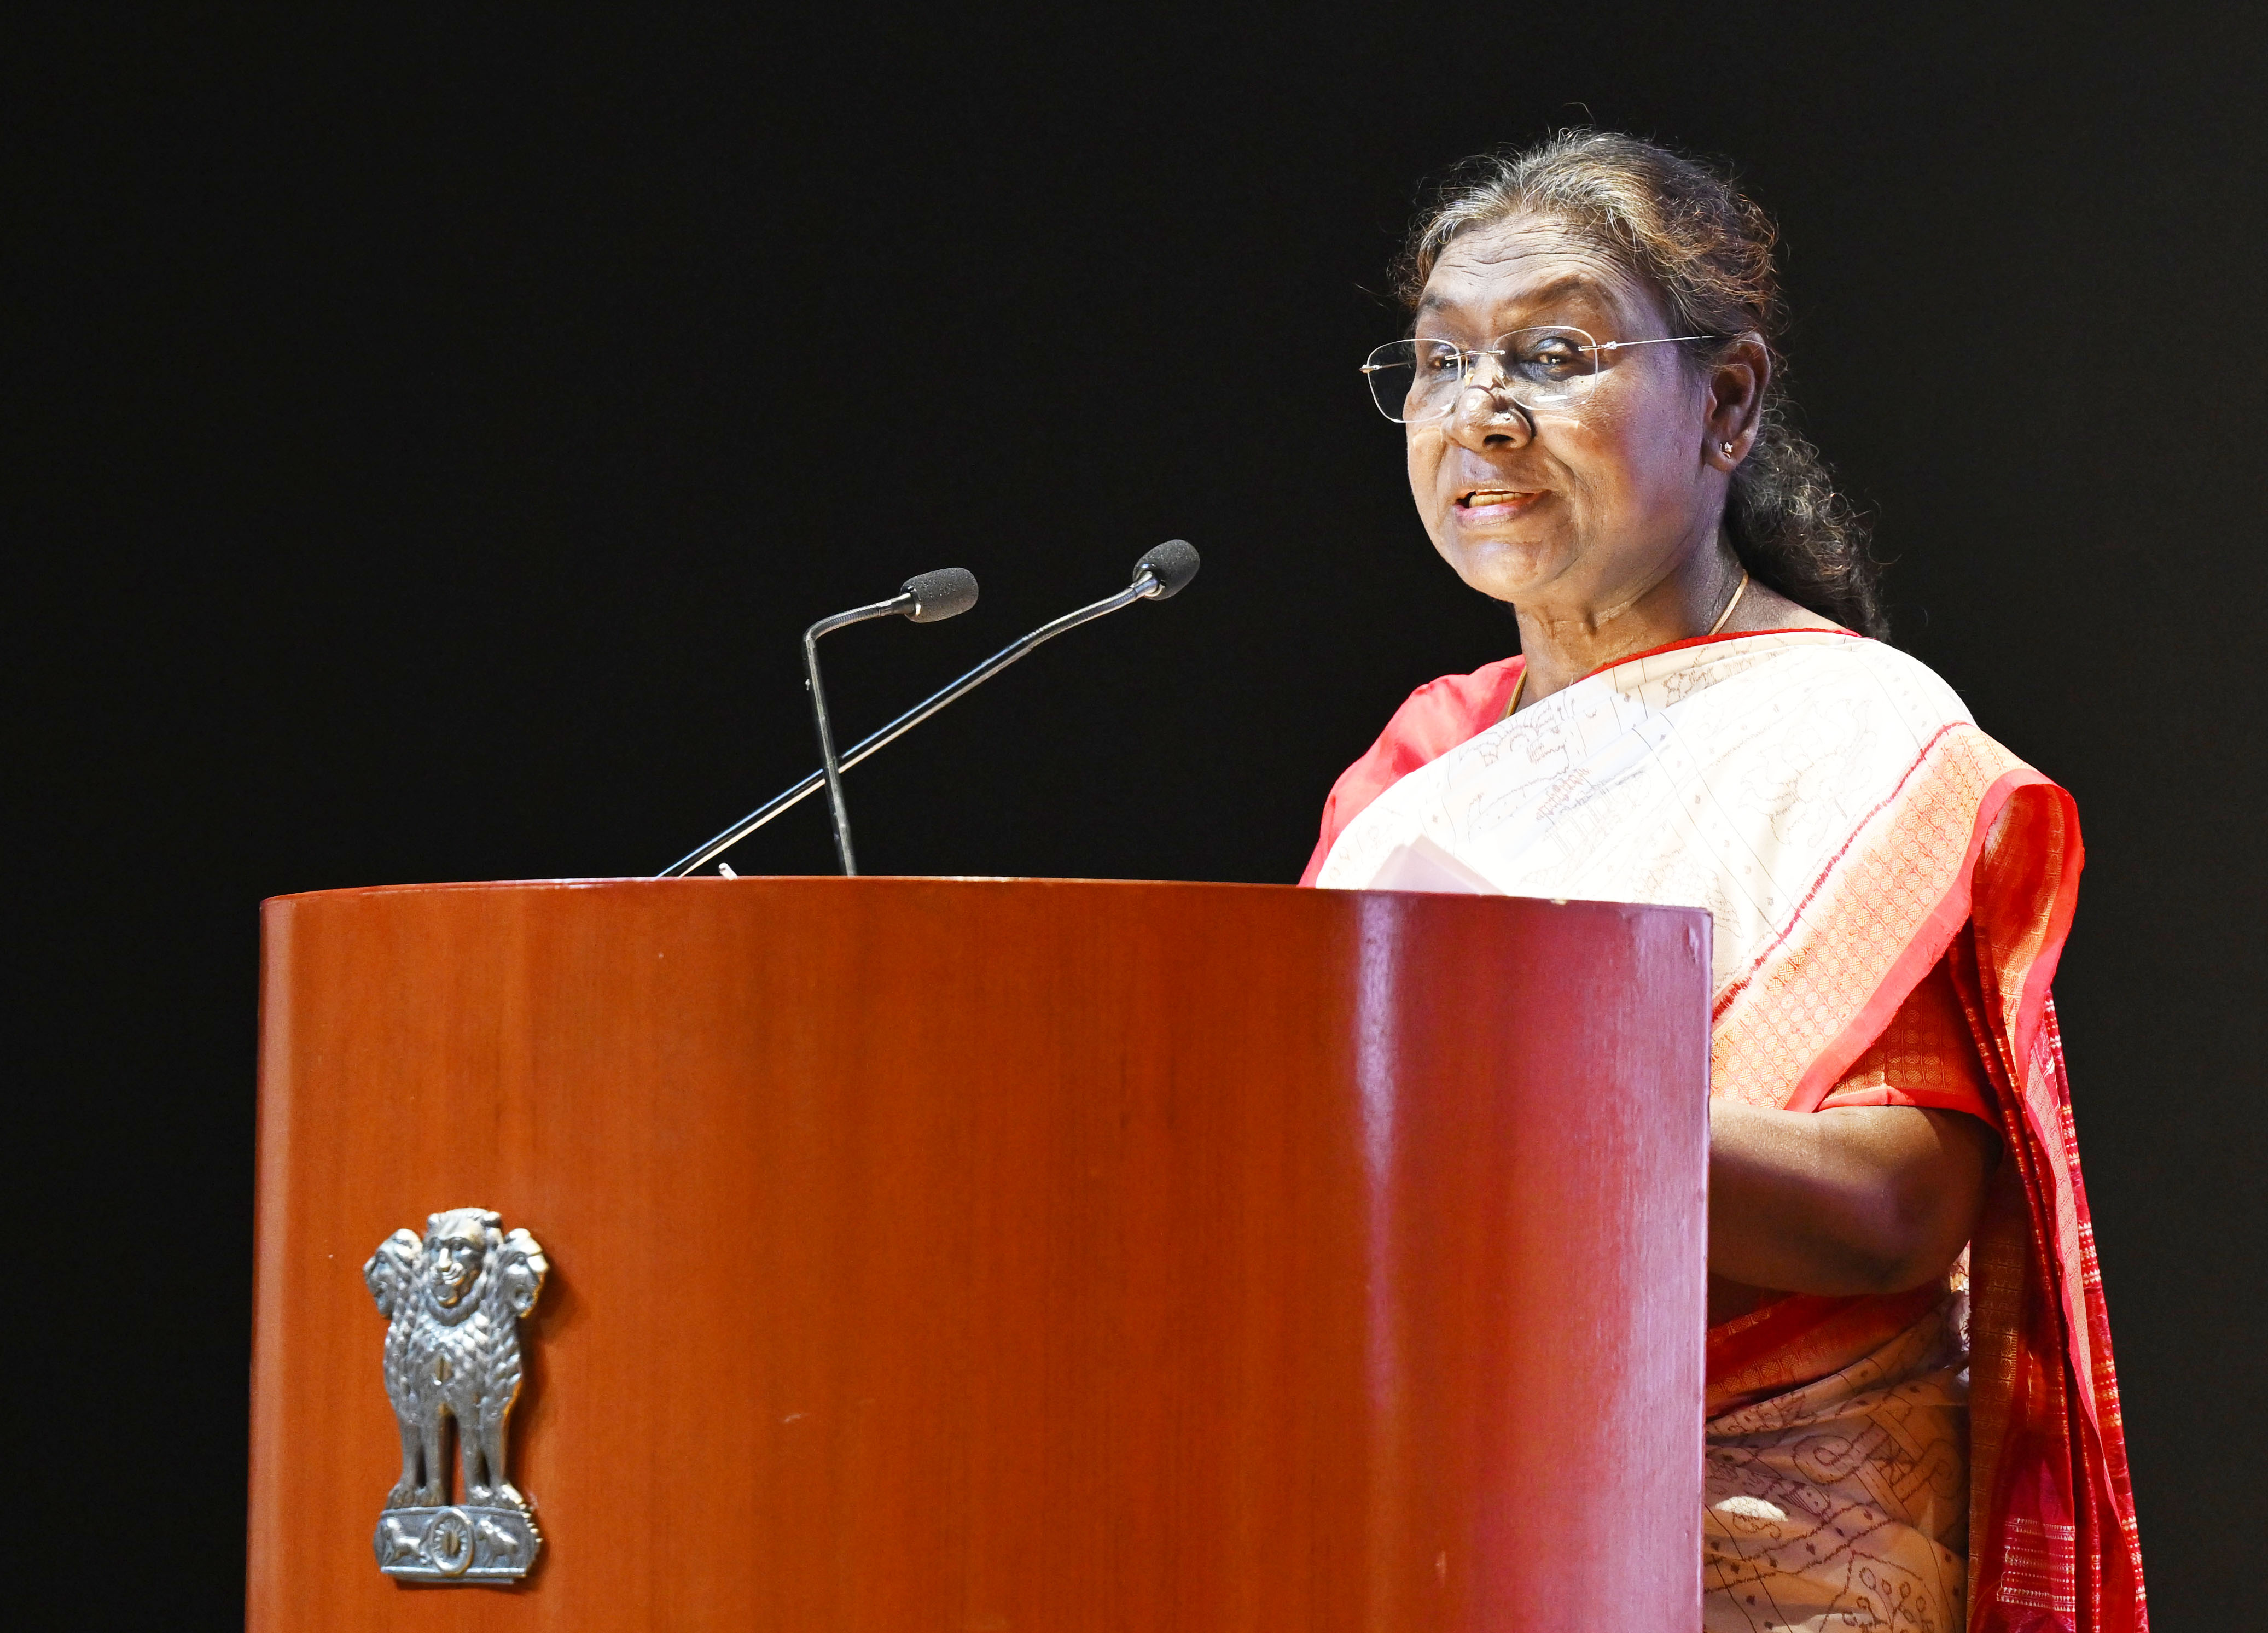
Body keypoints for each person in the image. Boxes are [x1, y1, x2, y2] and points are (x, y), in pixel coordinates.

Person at [1302, 132, 2145, 1632]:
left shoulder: (1851, 733)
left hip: (1761, 1556)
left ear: (1729, 401)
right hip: (1421, 1529)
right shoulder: (1417, 761)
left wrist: (1504, 1116)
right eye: (1436, 362)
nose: (1477, 416)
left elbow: (1893, 1213)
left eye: (1552, 352)